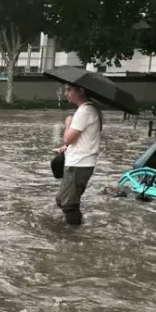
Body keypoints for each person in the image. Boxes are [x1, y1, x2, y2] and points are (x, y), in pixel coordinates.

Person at [54, 84, 102, 226]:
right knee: (61, 199)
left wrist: (68, 123)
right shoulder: (88, 110)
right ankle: (75, 226)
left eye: (69, 90)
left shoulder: (85, 111)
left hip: (79, 164)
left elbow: (68, 138)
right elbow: (83, 139)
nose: (65, 94)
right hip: (79, 162)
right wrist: (66, 148)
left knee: (69, 204)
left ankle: (74, 236)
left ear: (81, 90)